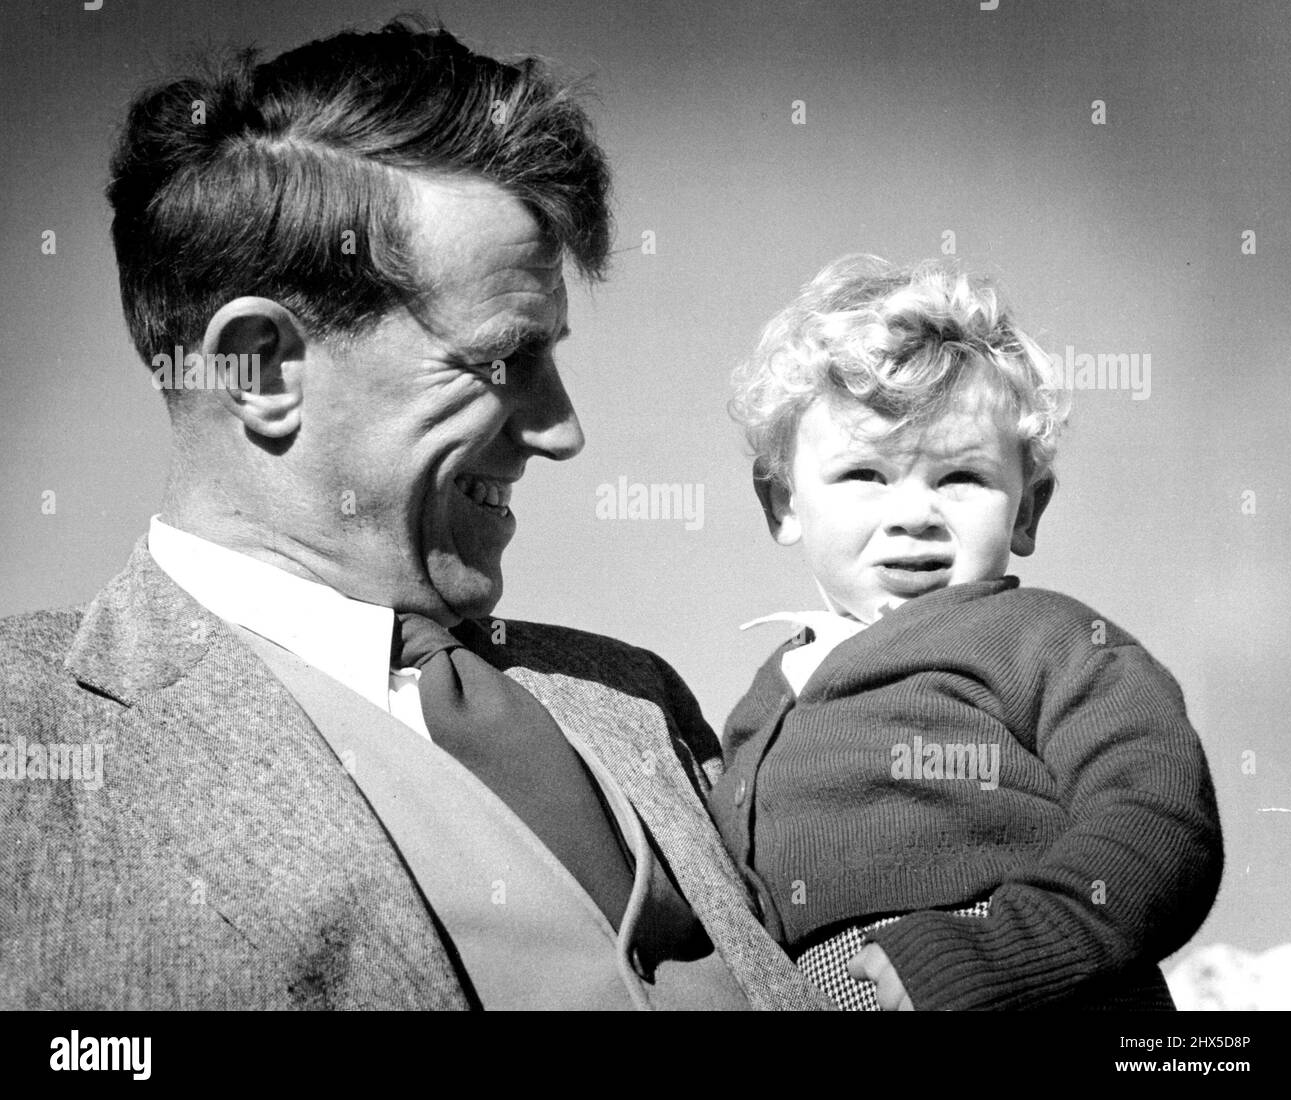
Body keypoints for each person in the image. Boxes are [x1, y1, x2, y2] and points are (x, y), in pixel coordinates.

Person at [0, 18, 827, 1011]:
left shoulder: (637, 694)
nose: (563, 431)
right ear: (262, 368)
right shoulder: (29, 741)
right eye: (503, 356)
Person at [708, 255, 1223, 1010]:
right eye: (864, 475)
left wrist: (998, 954)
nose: (914, 514)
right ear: (782, 501)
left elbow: (1161, 819)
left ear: (1025, 510)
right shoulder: (761, 706)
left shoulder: (1051, 640)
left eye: (961, 478)